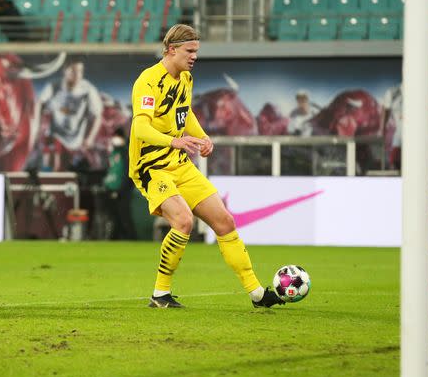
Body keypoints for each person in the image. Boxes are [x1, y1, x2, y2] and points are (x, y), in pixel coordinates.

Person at [129, 24, 283, 309]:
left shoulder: (185, 78)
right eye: (190, 51)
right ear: (172, 50)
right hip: (152, 166)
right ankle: (160, 294)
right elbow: (140, 128)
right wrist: (173, 142)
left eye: (196, 51)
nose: (194, 57)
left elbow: (184, 114)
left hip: (179, 164)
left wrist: (201, 137)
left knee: (225, 221)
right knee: (183, 221)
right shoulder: (148, 81)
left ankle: (257, 293)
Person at [34, 59, 104, 170]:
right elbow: (39, 103)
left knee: (67, 167)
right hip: (56, 134)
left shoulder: (88, 90)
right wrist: (36, 126)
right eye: (73, 71)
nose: (77, 75)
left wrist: (90, 138)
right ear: (65, 71)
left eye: (80, 71)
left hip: (75, 139)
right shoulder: (54, 86)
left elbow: (98, 115)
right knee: (51, 164)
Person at [381, 83, 428, 170]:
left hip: (423, 142)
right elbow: (385, 111)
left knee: (423, 168)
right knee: (397, 167)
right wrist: (382, 130)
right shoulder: (392, 93)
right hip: (400, 142)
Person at [102, 127, 136, 240]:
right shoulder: (113, 153)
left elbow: (127, 173)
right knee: (114, 216)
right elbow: (111, 171)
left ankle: (131, 238)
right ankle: (115, 237)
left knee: (124, 215)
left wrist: (121, 189)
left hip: (123, 190)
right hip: (111, 189)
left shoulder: (126, 153)